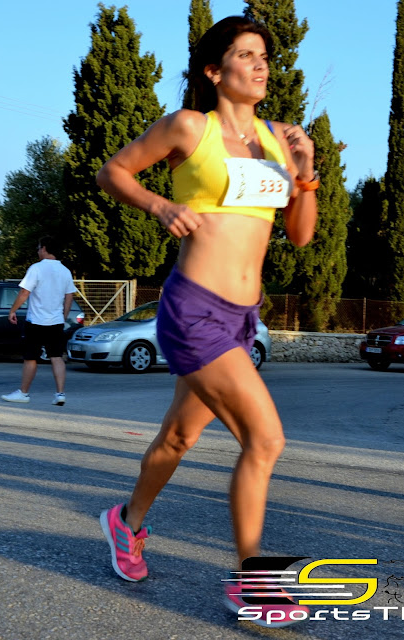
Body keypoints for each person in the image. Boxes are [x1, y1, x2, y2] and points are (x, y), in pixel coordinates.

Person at [96, 16, 318, 625]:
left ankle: (126, 523)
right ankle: (254, 584)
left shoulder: (278, 139)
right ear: (215, 71)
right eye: (246, 55)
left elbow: (300, 236)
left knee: (179, 437)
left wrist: (305, 173)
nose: (260, 64)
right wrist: (159, 205)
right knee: (265, 439)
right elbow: (113, 171)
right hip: (193, 309)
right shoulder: (190, 127)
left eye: (264, 55)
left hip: (242, 317)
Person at [1, 236, 76, 406]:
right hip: (56, 322)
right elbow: (69, 297)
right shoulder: (65, 271)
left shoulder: (36, 268)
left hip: (35, 321)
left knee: (31, 358)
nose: (38, 251)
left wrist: (12, 310)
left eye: (38, 248)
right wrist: (63, 317)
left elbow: (24, 293)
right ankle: (60, 394)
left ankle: (23, 393)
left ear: (44, 248)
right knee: (56, 357)